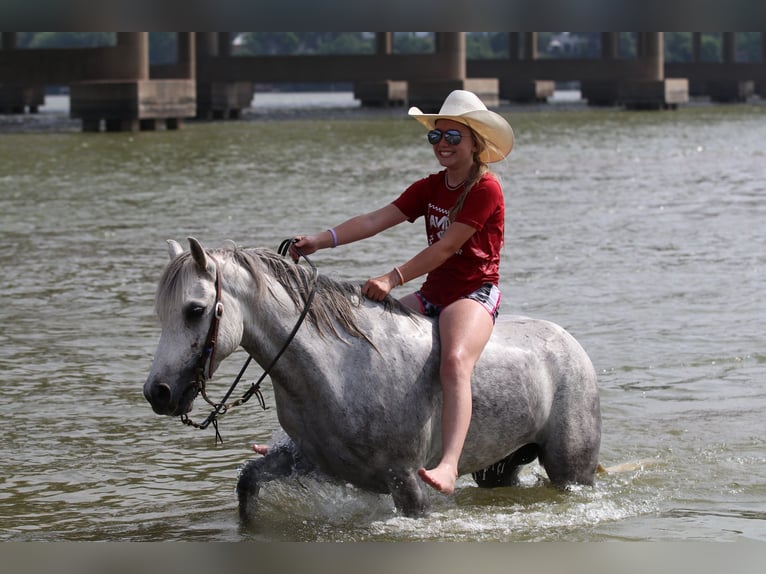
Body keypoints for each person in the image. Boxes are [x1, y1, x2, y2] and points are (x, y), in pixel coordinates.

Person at [258, 89, 514, 495]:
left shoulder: (486, 189)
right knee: (356, 341)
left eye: (453, 137)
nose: (442, 145)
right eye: (436, 137)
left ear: (474, 142)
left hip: (472, 294)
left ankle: (448, 463)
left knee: (454, 361)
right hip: (433, 292)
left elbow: (446, 247)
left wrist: (393, 278)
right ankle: (297, 442)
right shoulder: (429, 187)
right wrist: (319, 241)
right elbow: (376, 219)